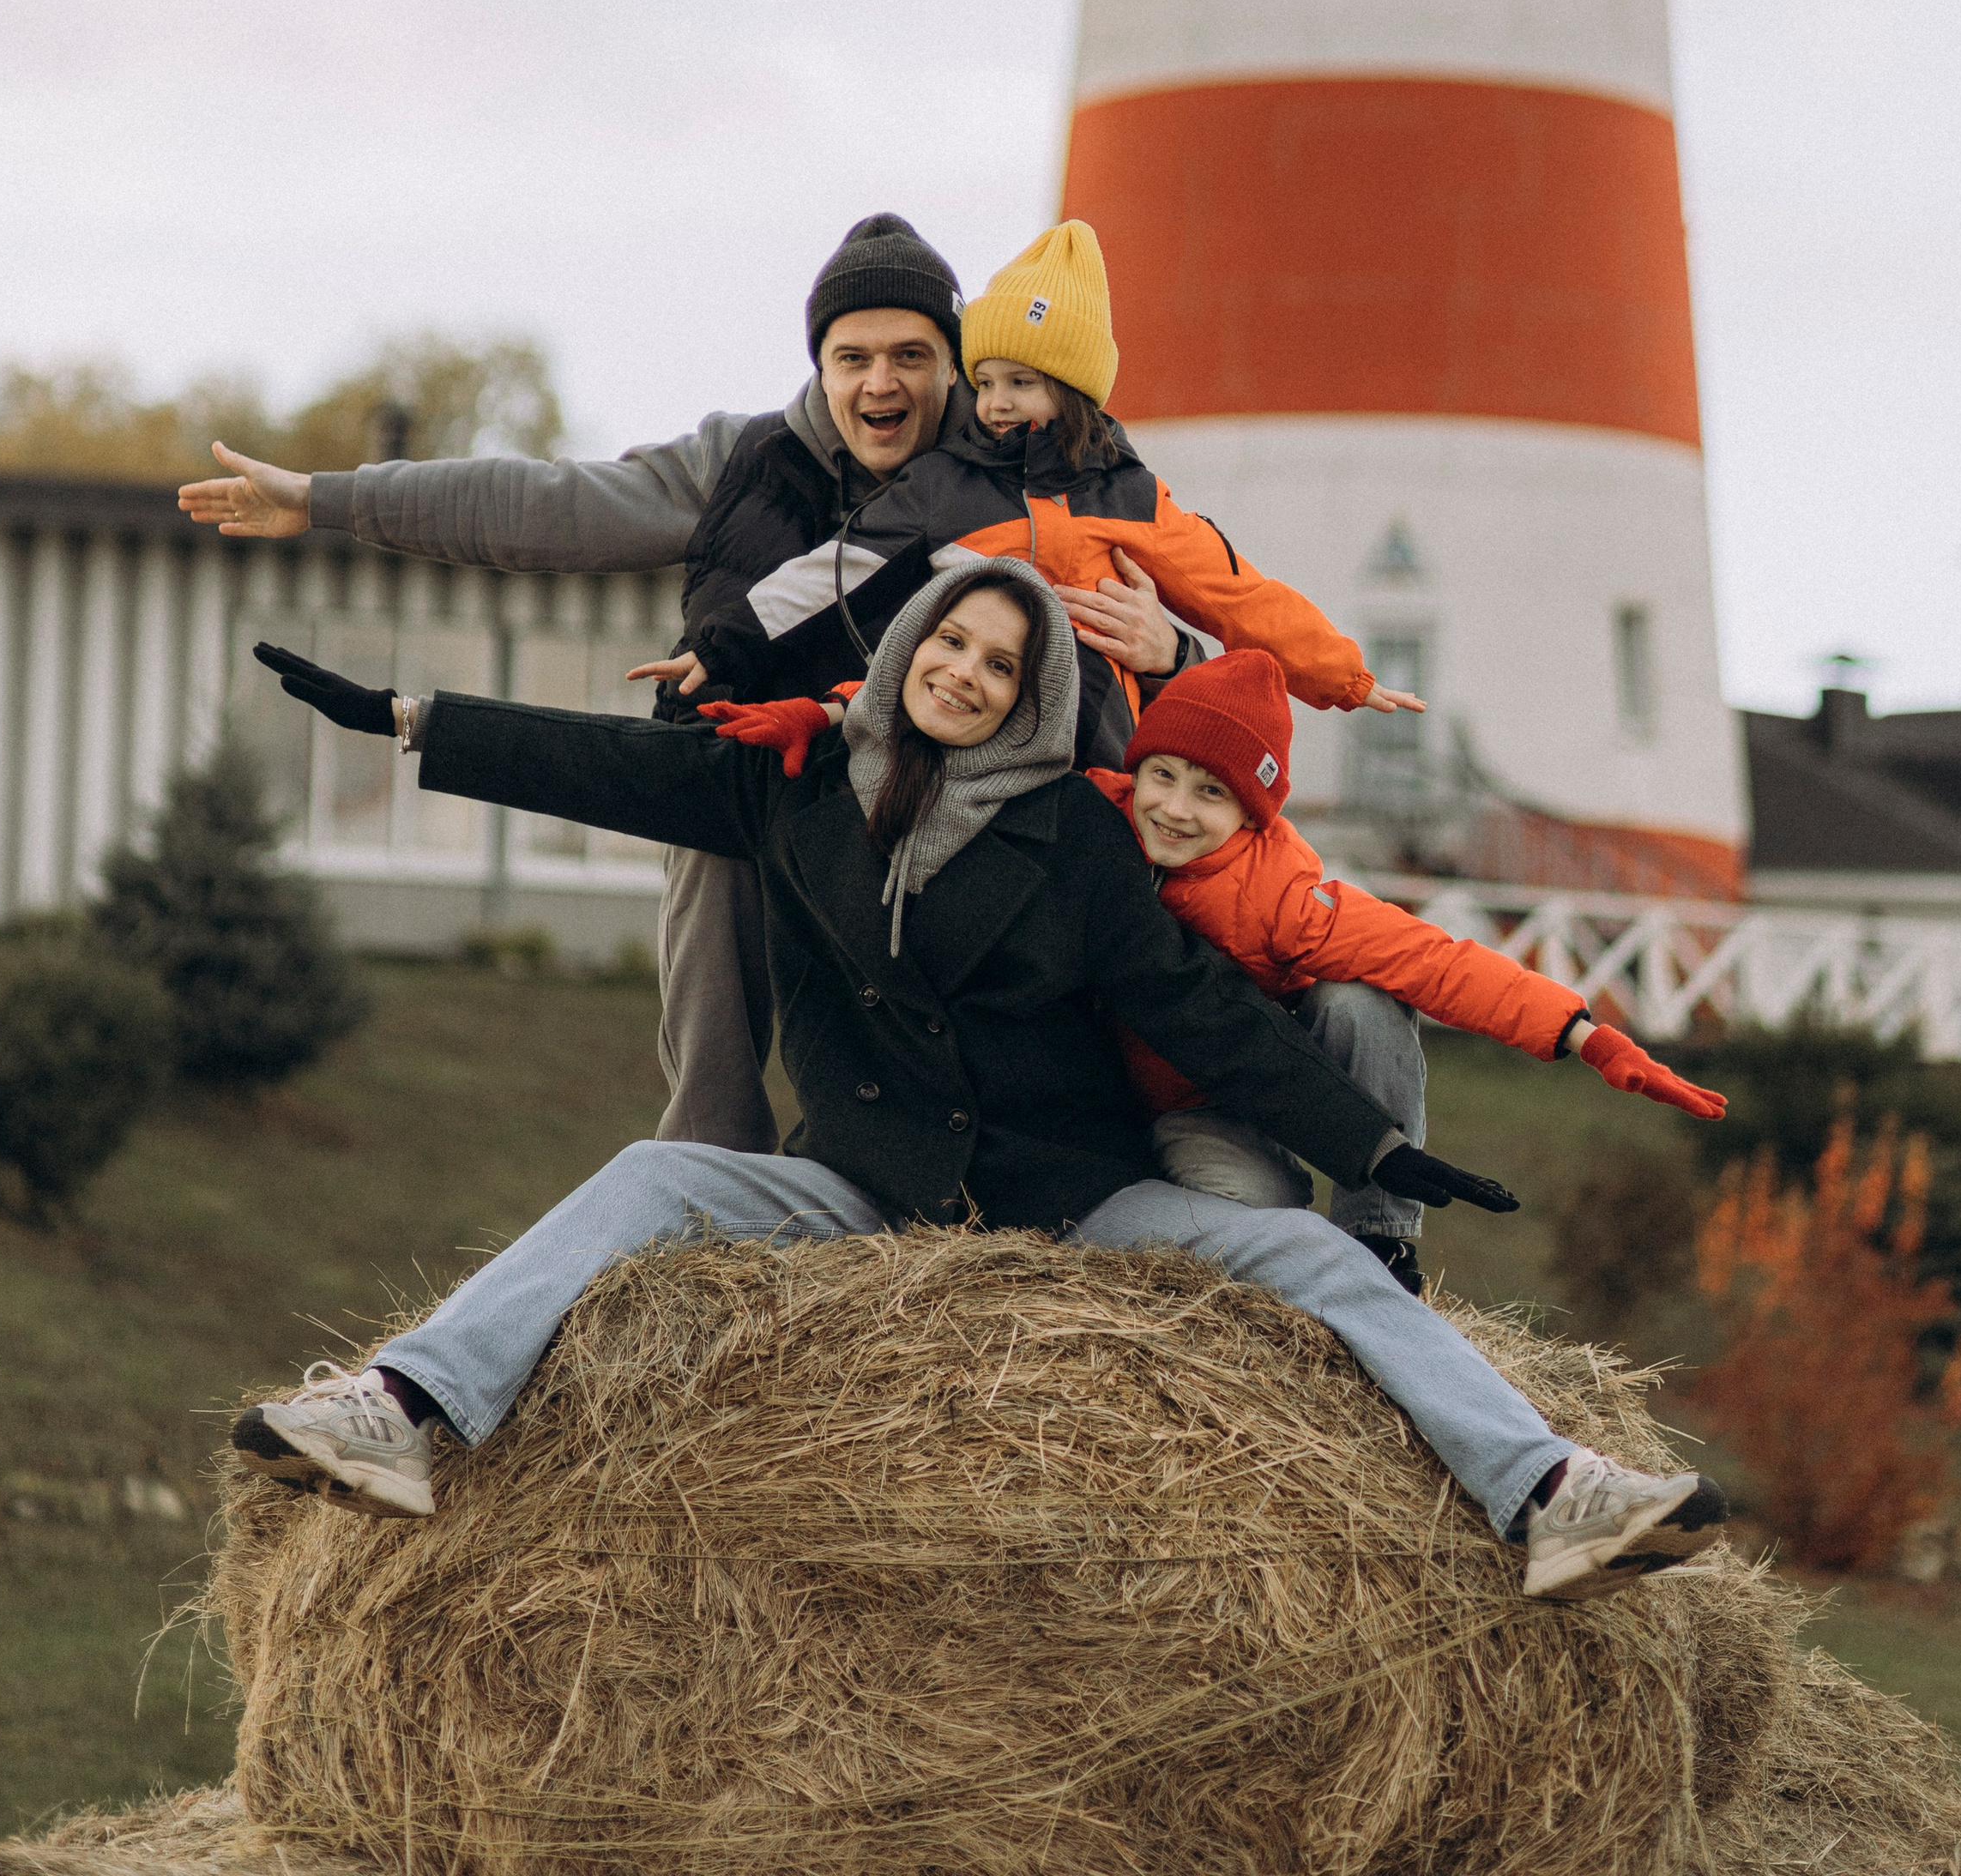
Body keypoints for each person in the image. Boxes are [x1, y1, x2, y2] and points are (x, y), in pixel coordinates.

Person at [234, 564, 1729, 1604]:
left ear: (1033, 695)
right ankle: (402, 1407)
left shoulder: (1075, 837)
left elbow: (1198, 1009)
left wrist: (1377, 1151)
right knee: (651, 1178)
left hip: (1069, 1194)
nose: (965, 673)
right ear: (908, 651)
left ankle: (1549, 1494)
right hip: (861, 1181)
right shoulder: (793, 782)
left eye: (1001, 665)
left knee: (1312, 1260)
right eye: (950, 644)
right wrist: (410, 720)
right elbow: (612, 764)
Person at [177, 212, 1186, 1153]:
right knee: (717, 831)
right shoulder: (745, 462)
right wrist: (328, 500)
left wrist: (1171, 652)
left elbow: (1205, 606)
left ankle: (1061, 1146)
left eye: (910, 356)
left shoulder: (1033, 462)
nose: (881, 383)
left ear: (952, 364)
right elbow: (544, 505)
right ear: (821, 366)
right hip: (766, 781)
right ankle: (708, 1154)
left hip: (950, 801)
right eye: (853, 357)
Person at [688, 220, 1423, 777]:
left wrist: (1345, 677)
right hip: (961, 747)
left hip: (1097, 761)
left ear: (1072, 391)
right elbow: (833, 571)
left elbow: (1239, 597)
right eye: (986, 381)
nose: (998, 403)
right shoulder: (944, 485)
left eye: (1023, 383)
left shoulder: (1131, 495)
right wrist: (723, 642)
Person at [1086, 648, 1726, 1264]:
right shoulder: (1088, 819)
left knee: (1358, 1008)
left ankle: (1379, 1238)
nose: (1174, 808)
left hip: (1228, 1089)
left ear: (1252, 815)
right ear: (1136, 768)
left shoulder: (1279, 896)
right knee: (1239, 1214)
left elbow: (1431, 959)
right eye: (1162, 775)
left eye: (1211, 792)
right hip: (1125, 1084)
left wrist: (1588, 1037)